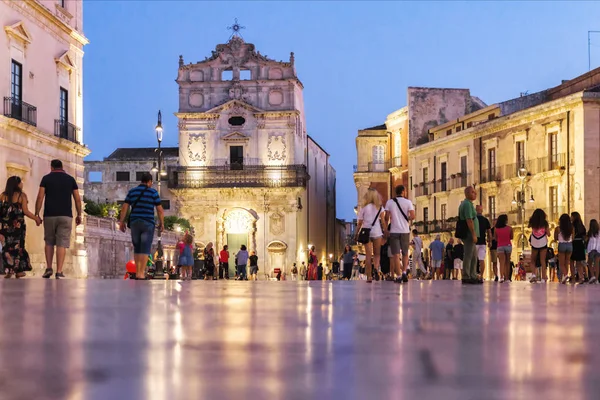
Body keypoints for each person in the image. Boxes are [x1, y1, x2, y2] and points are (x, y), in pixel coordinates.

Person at [35, 160, 82, 279]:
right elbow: (77, 199)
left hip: (49, 215)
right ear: (62, 167)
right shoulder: (70, 179)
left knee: (49, 242)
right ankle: (59, 271)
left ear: (51, 167)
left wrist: (37, 213)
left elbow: (40, 197)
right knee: (62, 243)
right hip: (65, 215)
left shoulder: (46, 178)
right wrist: (79, 214)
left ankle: (49, 268)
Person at [118, 172, 164, 280]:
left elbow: (125, 207)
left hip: (135, 222)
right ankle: (141, 273)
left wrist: (121, 222)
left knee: (137, 247)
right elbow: (160, 210)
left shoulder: (132, 192)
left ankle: (137, 272)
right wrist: (162, 223)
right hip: (148, 223)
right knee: (145, 248)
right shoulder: (153, 192)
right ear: (149, 182)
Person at [0, 176, 41, 278]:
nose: (22, 184)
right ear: (17, 184)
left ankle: (9, 270)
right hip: (18, 227)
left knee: (7, 247)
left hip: (5, 227)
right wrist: (36, 218)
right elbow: (25, 211)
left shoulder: (2, 196)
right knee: (18, 247)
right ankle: (18, 271)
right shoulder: (22, 196)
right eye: (21, 182)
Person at [384, 185, 415, 283]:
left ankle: (398, 276)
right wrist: (407, 219)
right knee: (405, 253)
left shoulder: (390, 202)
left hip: (394, 231)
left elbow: (386, 217)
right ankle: (404, 272)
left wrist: (386, 229)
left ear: (396, 192)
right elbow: (413, 216)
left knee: (396, 255)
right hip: (405, 231)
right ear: (403, 192)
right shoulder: (408, 202)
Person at [355, 188, 385, 283]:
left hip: (366, 232)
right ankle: (376, 269)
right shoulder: (380, 208)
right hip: (377, 232)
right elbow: (383, 222)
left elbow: (359, 223)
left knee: (368, 255)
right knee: (377, 254)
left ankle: (369, 276)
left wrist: (356, 234)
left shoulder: (363, 208)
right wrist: (386, 232)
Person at [458, 186, 481, 284]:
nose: (475, 194)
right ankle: (466, 276)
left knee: (473, 255)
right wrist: (473, 234)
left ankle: (473, 275)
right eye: (472, 192)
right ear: (467, 194)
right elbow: (469, 220)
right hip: (468, 234)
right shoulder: (467, 204)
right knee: (468, 255)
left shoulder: (468, 204)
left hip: (470, 234)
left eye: (475, 192)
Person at [528, 209, 550, 283]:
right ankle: (544, 278)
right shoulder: (545, 223)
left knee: (533, 260)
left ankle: (534, 275)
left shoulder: (532, 222)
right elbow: (549, 233)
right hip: (543, 242)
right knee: (543, 260)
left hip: (534, 242)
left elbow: (528, 226)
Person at [554, 214, 573, 284]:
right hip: (570, 245)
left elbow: (555, 238)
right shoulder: (572, 228)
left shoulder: (558, 228)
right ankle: (564, 278)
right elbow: (573, 238)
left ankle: (565, 275)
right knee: (566, 262)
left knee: (561, 264)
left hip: (562, 244)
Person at [494, 214, 513, 283]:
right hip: (508, 245)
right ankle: (507, 278)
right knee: (508, 262)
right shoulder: (510, 228)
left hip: (500, 246)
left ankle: (501, 277)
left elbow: (495, 238)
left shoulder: (496, 229)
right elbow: (511, 237)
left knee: (501, 262)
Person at [475, 205, 492, 280]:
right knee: (481, 259)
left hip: (474, 242)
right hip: (482, 242)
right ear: (482, 211)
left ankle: (474, 275)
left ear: (476, 210)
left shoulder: (473, 219)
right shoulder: (485, 220)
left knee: (474, 259)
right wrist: (490, 241)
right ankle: (481, 276)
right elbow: (489, 232)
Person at [571, 212, 587, 284]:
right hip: (580, 244)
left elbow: (573, 236)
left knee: (573, 261)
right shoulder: (582, 226)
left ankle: (575, 278)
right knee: (579, 262)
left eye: (571, 216)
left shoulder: (573, 225)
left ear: (574, 217)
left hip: (575, 244)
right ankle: (581, 277)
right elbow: (585, 237)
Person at [587, 219, 599, 284]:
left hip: (591, 249)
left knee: (589, 263)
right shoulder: (599, 232)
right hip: (598, 250)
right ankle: (596, 279)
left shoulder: (590, 232)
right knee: (597, 265)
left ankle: (592, 275)